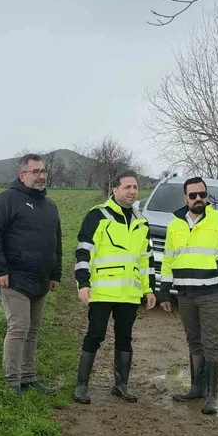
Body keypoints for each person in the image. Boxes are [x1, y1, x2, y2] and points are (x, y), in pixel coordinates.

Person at [160, 177, 218, 415]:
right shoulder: (174, 225)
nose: (198, 198)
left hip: (210, 292)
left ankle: (212, 396)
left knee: (211, 343)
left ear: (207, 196)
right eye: (193, 195)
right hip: (185, 293)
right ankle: (196, 389)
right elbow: (168, 259)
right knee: (194, 341)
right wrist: (164, 290)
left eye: (202, 194)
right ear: (185, 198)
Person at [73, 168, 156, 404]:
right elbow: (83, 252)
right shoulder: (98, 216)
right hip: (102, 291)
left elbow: (146, 259)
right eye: (127, 187)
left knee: (125, 338)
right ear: (115, 189)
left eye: (135, 187)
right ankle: (81, 386)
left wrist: (149, 289)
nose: (132, 191)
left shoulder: (141, 222)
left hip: (129, 293)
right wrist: (83, 283)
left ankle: (121, 385)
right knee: (95, 335)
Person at [0, 153, 62, 397]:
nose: (41, 176)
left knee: (33, 331)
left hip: (41, 280)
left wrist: (55, 274)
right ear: (22, 175)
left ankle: (28, 377)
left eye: (43, 171)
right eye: (35, 172)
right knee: (18, 328)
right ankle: (12, 382)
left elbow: (57, 241)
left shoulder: (49, 206)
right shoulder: (7, 199)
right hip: (15, 279)